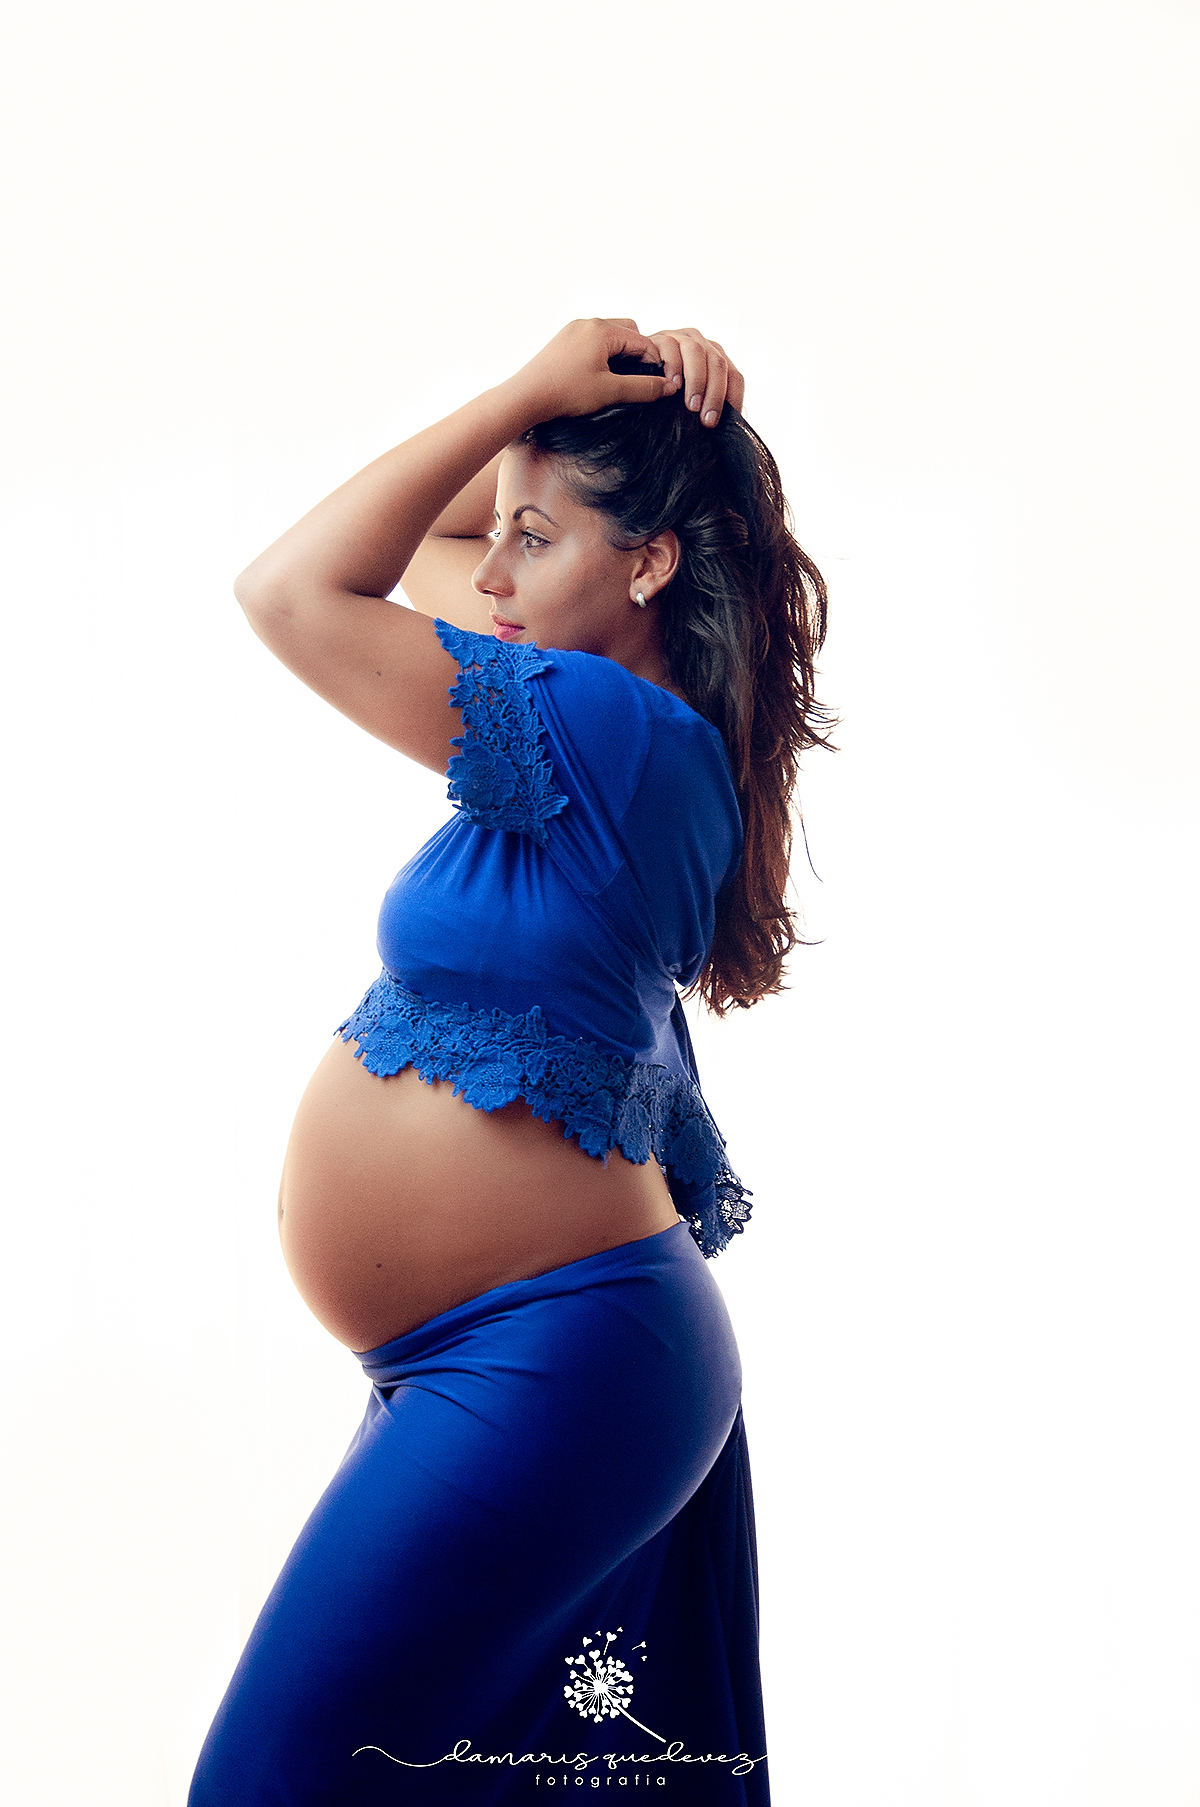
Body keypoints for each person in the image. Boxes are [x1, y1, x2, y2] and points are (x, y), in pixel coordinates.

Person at [188, 318, 831, 1805]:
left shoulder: (603, 727)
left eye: (532, 543)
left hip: (546, 1359)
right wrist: (580, 442)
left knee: (268, 1788)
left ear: (653, 566)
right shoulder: (598, 724)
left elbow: (293, 591)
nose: (490, 574)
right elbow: (443, 552)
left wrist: (531, 393)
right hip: (510, 1361)